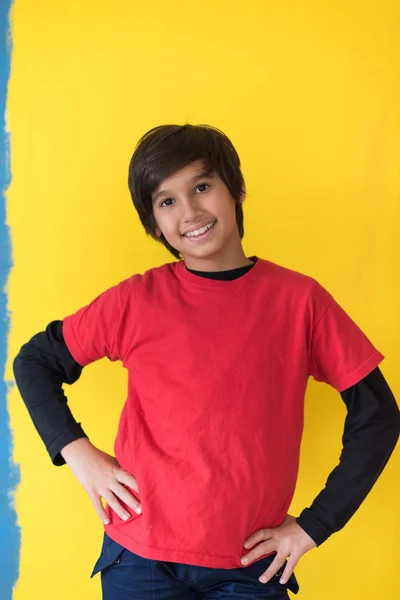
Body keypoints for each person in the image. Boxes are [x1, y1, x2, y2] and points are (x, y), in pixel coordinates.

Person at [13, 124, 399, 599]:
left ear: (235, 190)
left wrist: (315, 525)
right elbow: (35, 361)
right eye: (167, 201)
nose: (190, 211)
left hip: (251, 566)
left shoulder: (300, 301)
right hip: (140, 558)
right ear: (154, 223)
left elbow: (378, 416)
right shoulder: (137, 300)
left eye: (201, 187)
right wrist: (78, 454)